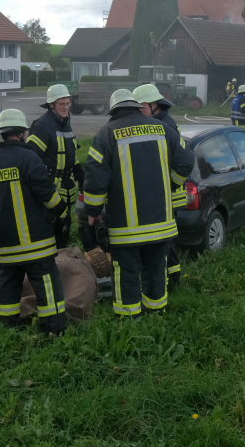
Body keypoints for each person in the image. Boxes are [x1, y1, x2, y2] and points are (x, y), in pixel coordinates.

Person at [83, 89, 194, 317]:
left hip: (126, 228)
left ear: (114, 111)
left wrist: (92, 211)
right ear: (136, 106)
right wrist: (171, 184)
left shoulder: (106, 134)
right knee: (156, 269)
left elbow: (95, 178)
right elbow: (186, 161)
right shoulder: (163, 129)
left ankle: (129, 316)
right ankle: (156, 312)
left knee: (127, 272)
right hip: (161, 224)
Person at [0, 108, 68, 334]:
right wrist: (62, 212)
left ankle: (7, 327)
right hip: (35, 242)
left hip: (6, 244)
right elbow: (47, 193)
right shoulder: (29, 158)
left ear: (2, 134)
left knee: (8, 285)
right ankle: (54, 328)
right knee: (46, 284)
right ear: (22, 133)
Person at [133, 83, 191, 290]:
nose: (139, 112)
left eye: (141, 107)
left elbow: (182, 161)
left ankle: (171, 280)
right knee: (164, 240)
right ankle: (170, 277)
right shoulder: (159, 122)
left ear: (154, 105)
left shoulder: (165, 126)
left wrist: (170, 184)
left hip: (170, 194)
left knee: (165, 240)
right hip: (163, 194)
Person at [26, 84, 81, 249]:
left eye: (68, 103)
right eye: (61, 104)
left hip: (66, 191)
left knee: (63, 235)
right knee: (52, 238)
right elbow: (31, 159)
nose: (66, 107)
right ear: (51, 105)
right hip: (50, 193)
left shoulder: (65, 123)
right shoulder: (42, 125)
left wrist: (79, 171)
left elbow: (71, 152)